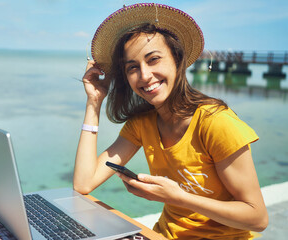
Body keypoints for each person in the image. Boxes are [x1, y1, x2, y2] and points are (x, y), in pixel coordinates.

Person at [73, 3, 268, 240]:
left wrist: (178, 197)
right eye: (132, 67)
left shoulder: (216, 123)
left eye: (153, 59)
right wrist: (94, 102)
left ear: (177, 59)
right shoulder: (142, 123)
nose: (144, 76)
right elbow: (83, 184)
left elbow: (258, 219)